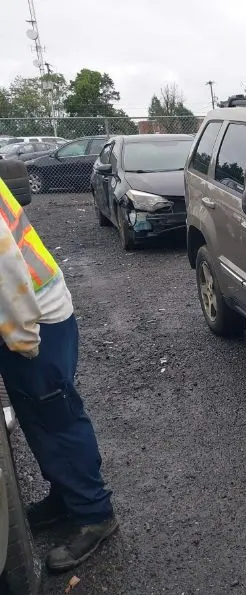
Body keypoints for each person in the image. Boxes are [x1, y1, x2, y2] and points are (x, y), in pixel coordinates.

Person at [0, 176, 117, 573]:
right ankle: (66, 496)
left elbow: (6, 268)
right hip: (33, 313)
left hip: (32, 320)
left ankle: (95, 514)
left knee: (58, 419)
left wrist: (23, 336)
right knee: (40, 422)